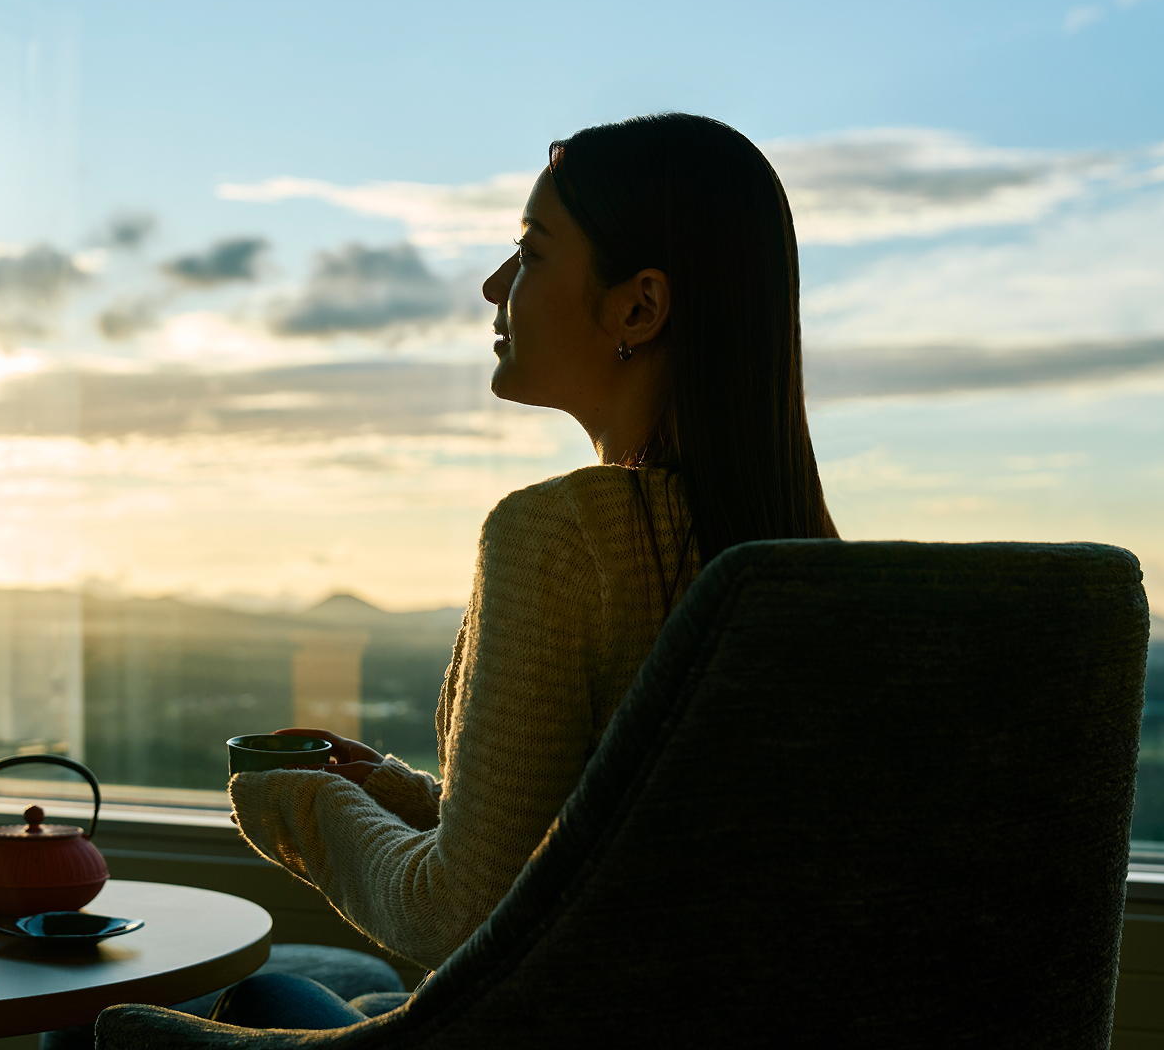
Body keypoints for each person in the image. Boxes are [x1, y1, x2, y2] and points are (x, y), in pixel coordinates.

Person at [168, 112, 838, 1034]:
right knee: (326, 980)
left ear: (639, 307)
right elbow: (614, 852)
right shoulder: (810, 571)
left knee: (200, 1001)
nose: (493, 285)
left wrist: (301, 801)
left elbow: (464, 919)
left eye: (530, 254)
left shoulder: (561, 540)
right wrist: (399, 797)